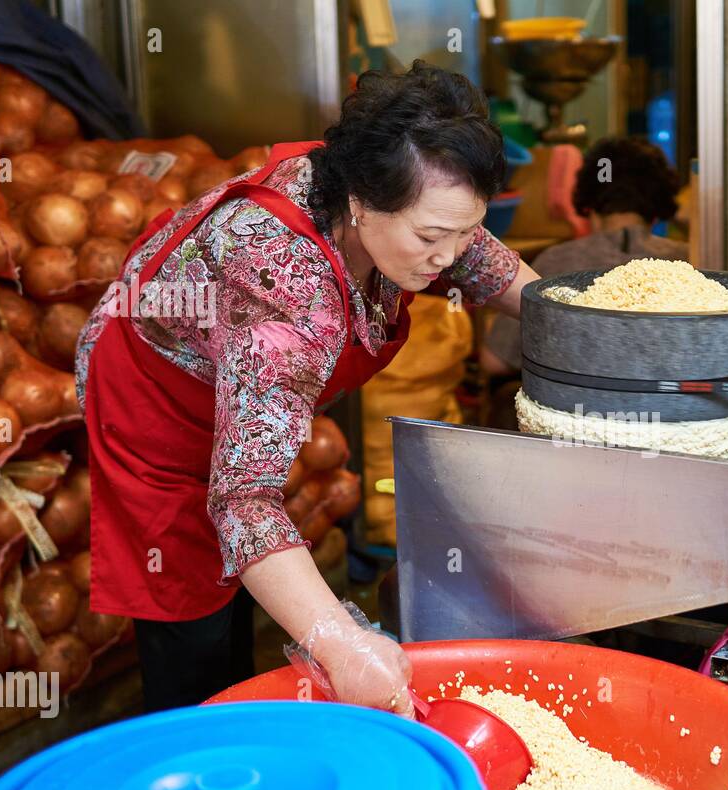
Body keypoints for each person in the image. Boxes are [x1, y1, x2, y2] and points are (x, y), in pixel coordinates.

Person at [76, 62, 539, 712]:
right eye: (432, 237)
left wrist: (565, 314)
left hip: (236, 363)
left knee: (241, 561)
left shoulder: (383, 187)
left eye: (464, 230)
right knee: (193, 613)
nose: (448, 255)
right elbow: (243, 501)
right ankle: (203, 760)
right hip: (155, 401)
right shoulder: (286, 299)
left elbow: (472, 253)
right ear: (360, 199)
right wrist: (340, 643)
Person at [480, 135, 686, 377]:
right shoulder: (689, 263)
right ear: (658, 211)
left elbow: (492, 362)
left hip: (572, 409)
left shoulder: (555, 261)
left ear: (587, 202)